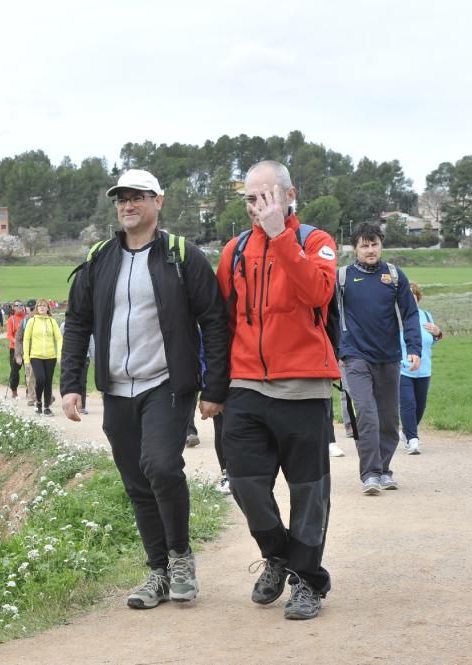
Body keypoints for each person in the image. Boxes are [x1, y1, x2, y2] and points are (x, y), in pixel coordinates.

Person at [61, 169, 229, 610]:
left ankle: (180, 558)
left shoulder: (182, 256)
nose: (128, 205)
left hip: (167, 384)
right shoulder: (100, 258)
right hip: (116, 388)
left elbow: (214, 320)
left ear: (159, 201)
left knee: (162, 466)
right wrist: (71, 384)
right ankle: (157, 571)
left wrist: (215, 387)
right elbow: (77, 323)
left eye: (137, 197)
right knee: (136, 481)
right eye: (121, 198)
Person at [214, 160, 339, 620]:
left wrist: (281, 236)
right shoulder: (235, 250)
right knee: (245, 484)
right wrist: (214, 384)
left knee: (309, 493)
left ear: (289, 196)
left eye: (265, 198)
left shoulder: (316, 242)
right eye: (250, 199)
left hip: (303, 386)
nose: (256, 208)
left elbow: (317, 295)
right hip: (245, 384)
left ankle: (308, 581)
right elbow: (222, 321)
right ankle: (279, 555)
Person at [339, 222, 421, 495]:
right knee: (367, 414)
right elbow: (328, 317)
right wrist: (335, 349)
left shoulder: (395, 276)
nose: (370, 250)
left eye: (374, 244)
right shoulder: (342, 278)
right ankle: (370, 474)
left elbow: (410, 313)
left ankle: (384, 470)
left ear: (381, 245)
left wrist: (414, 347)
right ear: (355, 248)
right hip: (355, 356)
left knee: (388, 421)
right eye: (364, 245)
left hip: (388, 357)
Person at [400, 282, 442, 455]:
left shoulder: (426, 316)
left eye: (414, 297)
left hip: (424, 369)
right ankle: (412, 439)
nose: (411, 300)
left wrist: (437, 332)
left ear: (418, 299)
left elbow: (434, 341)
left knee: (420, 406)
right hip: (402, 368)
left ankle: (407, 431)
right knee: (408, 403)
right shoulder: (396, 318)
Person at [23, 299, 62, 416]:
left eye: (44, 306)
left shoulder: (52, 322)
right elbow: (26, 339)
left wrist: (59, 355)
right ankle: (38, 402)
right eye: (39, 306)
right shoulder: (32, 321)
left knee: (48, 382)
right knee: (40, 379)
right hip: (36, 355)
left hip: (50, 356)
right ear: (36, 308)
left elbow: (59, 338)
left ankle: (46, 407)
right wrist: (26, 358)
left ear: (48, 308)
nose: (42, 307)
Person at [15, 300, 39, 406]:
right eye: (31, 309)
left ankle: (46, 395)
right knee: (30, 376)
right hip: (28, 353)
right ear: (27, 309)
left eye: (34, 308)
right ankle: (32, 397)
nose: (33, 311)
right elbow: (18, 338)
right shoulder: (25, 321)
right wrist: (18, 354)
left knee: (43, 376)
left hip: (42, 352)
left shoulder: (42, 320)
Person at [5, 301, 27, 398]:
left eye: (21, 305)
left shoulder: (27, 318)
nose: (19, 307)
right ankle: (14, 390)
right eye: (16, 305)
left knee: (29, 370)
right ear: (13, 307)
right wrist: (17, 342)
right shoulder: (11, 319)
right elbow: (9, 335)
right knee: (14, 371)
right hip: (14, 349)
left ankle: (29, 390)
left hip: (27, 348)